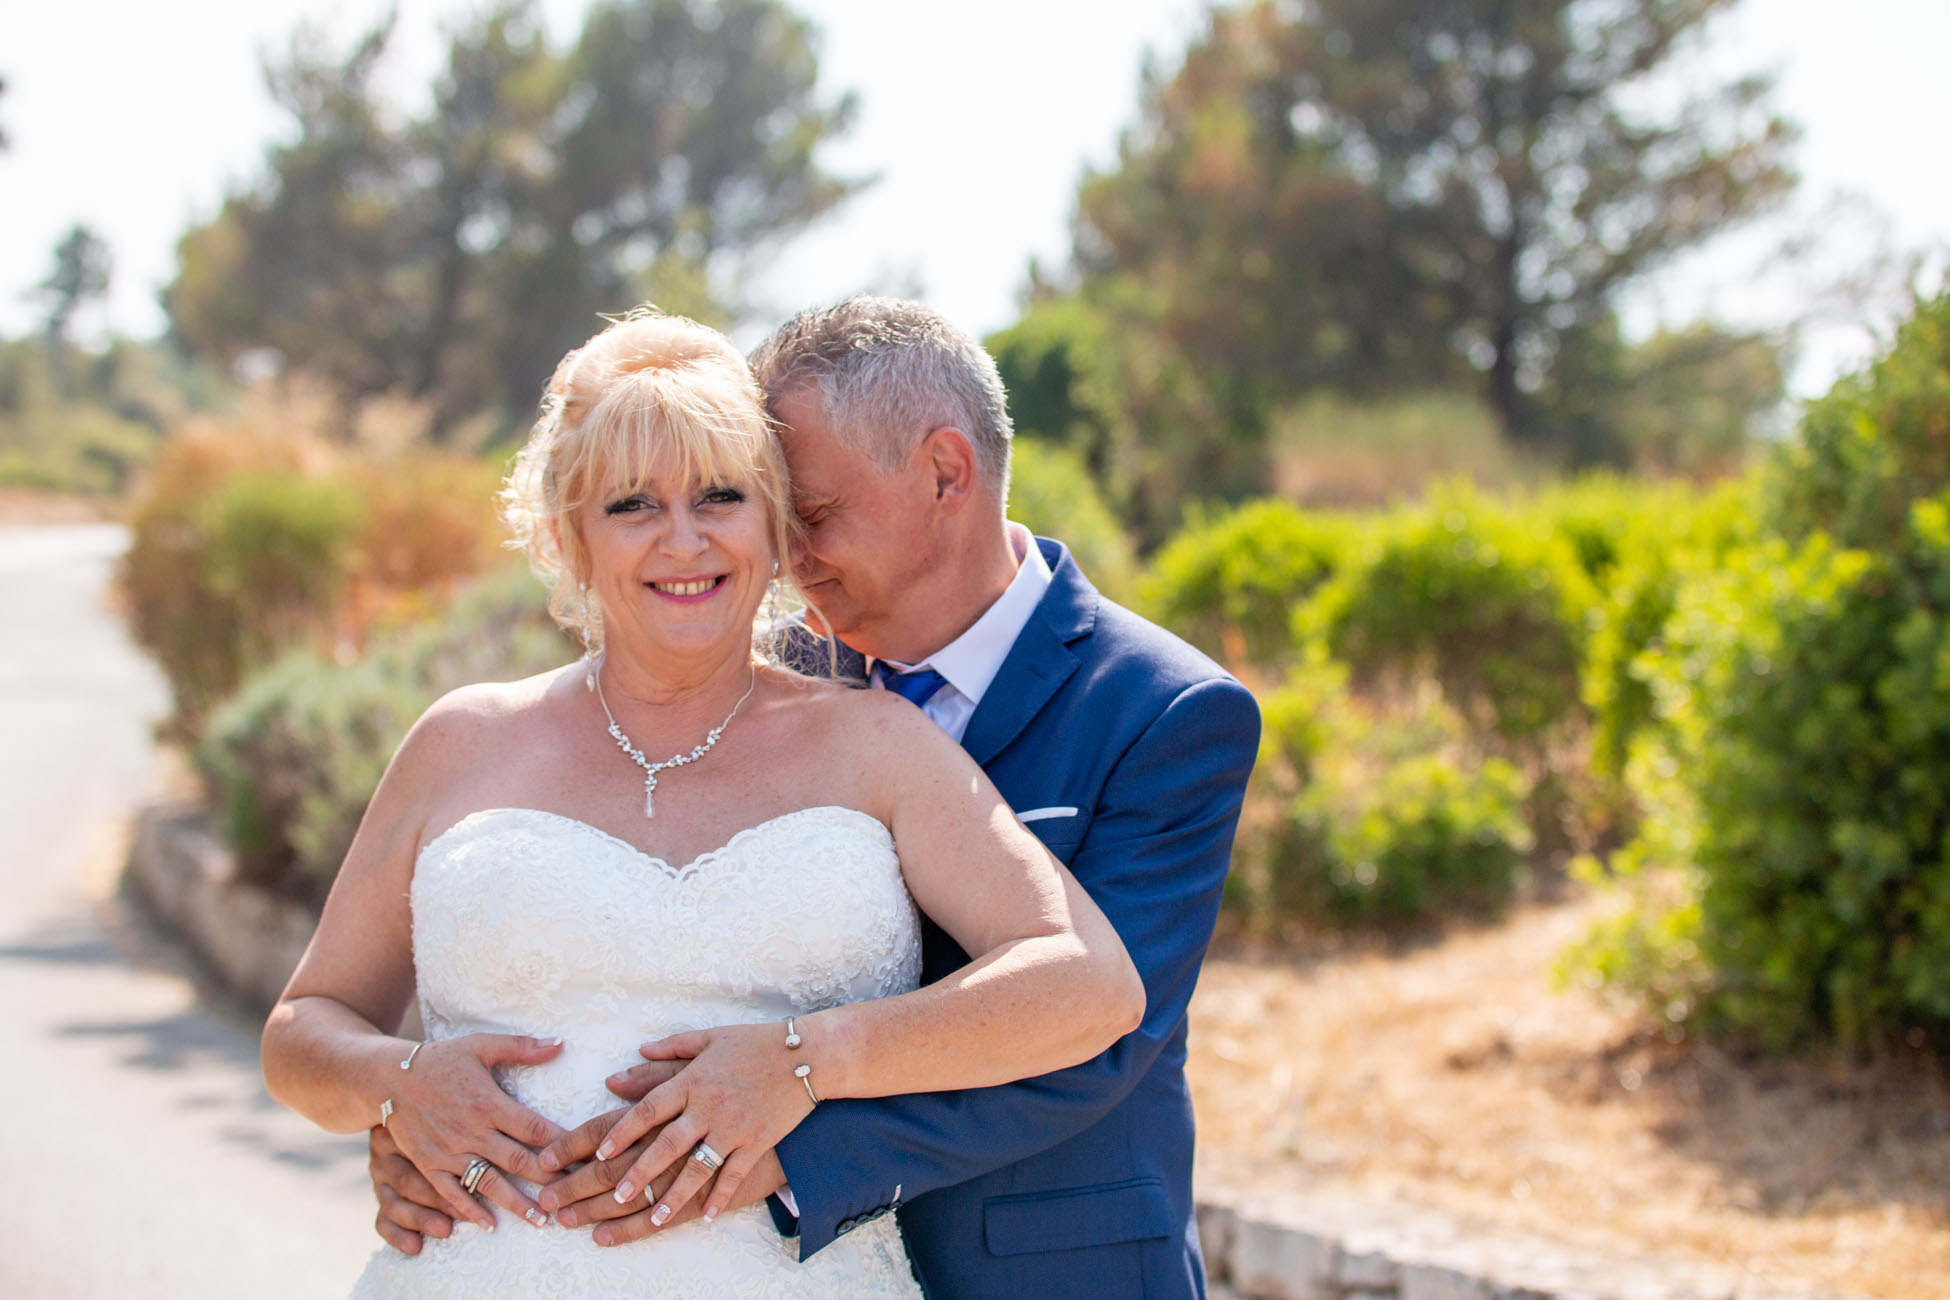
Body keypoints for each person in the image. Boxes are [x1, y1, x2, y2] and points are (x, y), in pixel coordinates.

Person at [371, 296, 1263, 1298]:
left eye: (816, 514)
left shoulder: (1162, 710)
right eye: (773, 512)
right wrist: (438, 1112)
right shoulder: (763, 675)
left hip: (1037, 1267)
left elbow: (1100, 1044)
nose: (786, 557)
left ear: (945, 472)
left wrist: (788, 1133)